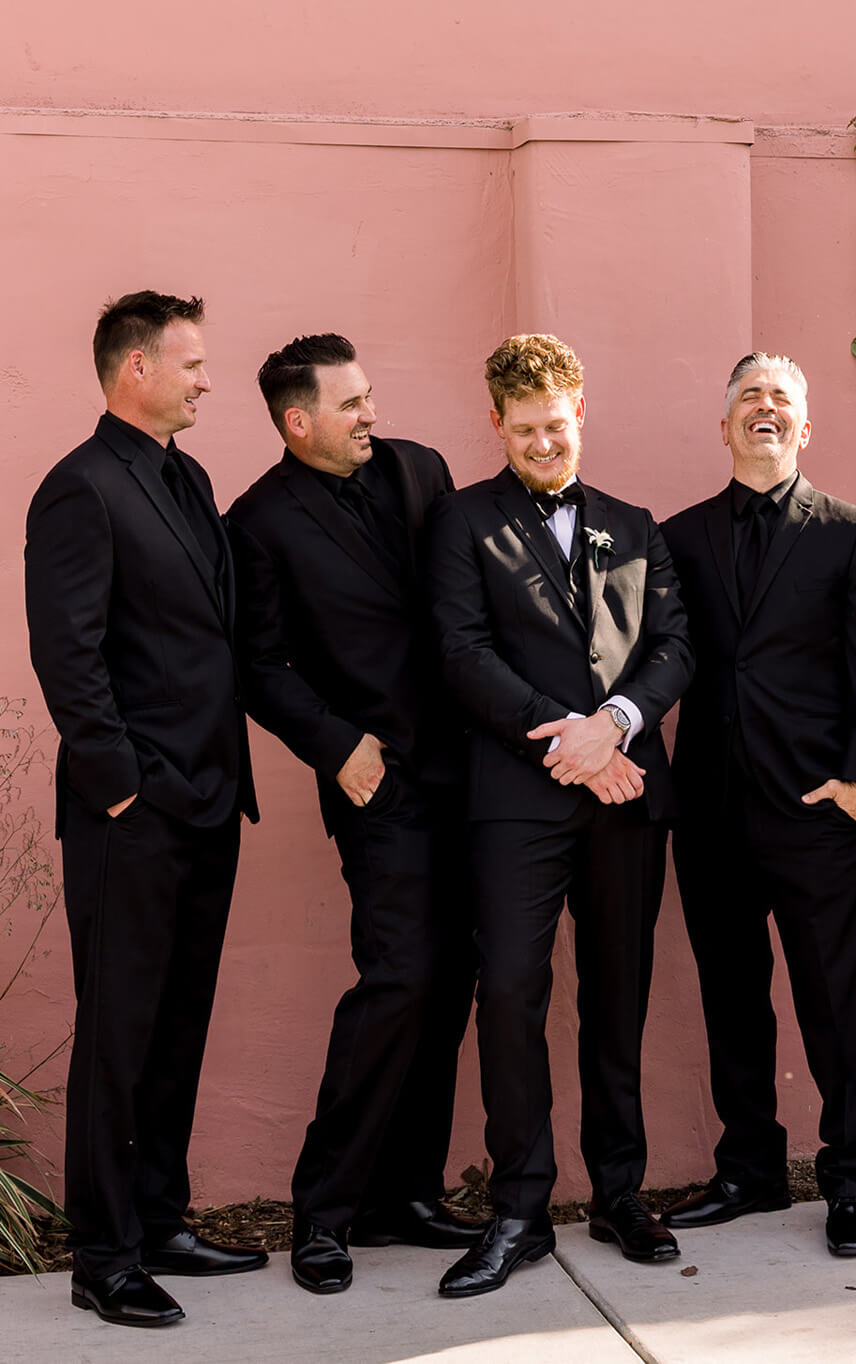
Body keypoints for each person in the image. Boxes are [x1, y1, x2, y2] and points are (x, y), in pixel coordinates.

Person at [428, 334, 693, 1296]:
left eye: (559, 423)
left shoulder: (635, 522)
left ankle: (620, 1192)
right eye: (526, 428)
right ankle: (519, 1209)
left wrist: (615, 726)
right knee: (507, 991)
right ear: (496, 423)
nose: (546, 442)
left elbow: (671, 644)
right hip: (515, 799)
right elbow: (459, 654)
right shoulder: (460, 523)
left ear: (581, 411)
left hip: (626, 793)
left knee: (618, 991)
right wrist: (570, 746)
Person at [225, 334, 484, 1295]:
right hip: (378, 785)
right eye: (349, 405)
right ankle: (324, 1211)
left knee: (454, 974)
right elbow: (258, 664)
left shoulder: (424, 468)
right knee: (401, 975)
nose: (370, 414)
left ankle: (404, 1195)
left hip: (475, 772)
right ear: (297, 422)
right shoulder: (255, 521)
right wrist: (338, 746)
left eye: (370, 396)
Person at [24, 292, 264, 1329]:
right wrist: (124, 781)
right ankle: (105, 1254)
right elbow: (67, 653)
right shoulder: (80, 488)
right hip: (134, 811)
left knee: (177, 1022)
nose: (209, 378)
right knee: (120, 1032)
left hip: (210, 801)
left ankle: (161, 1218)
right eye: (194, 363)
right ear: (135, 370)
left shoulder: (188, 474)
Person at [661, 352, 856, 1259]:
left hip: (816, 809)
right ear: (724, 426)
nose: (765, 408)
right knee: (732, 1000)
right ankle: (748, 1170)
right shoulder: (675, 537)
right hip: (712, 811)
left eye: (781, 399)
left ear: (805, 427)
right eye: (749, 397)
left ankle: (852, 1182)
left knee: (839, 1002)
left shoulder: (852, 532)